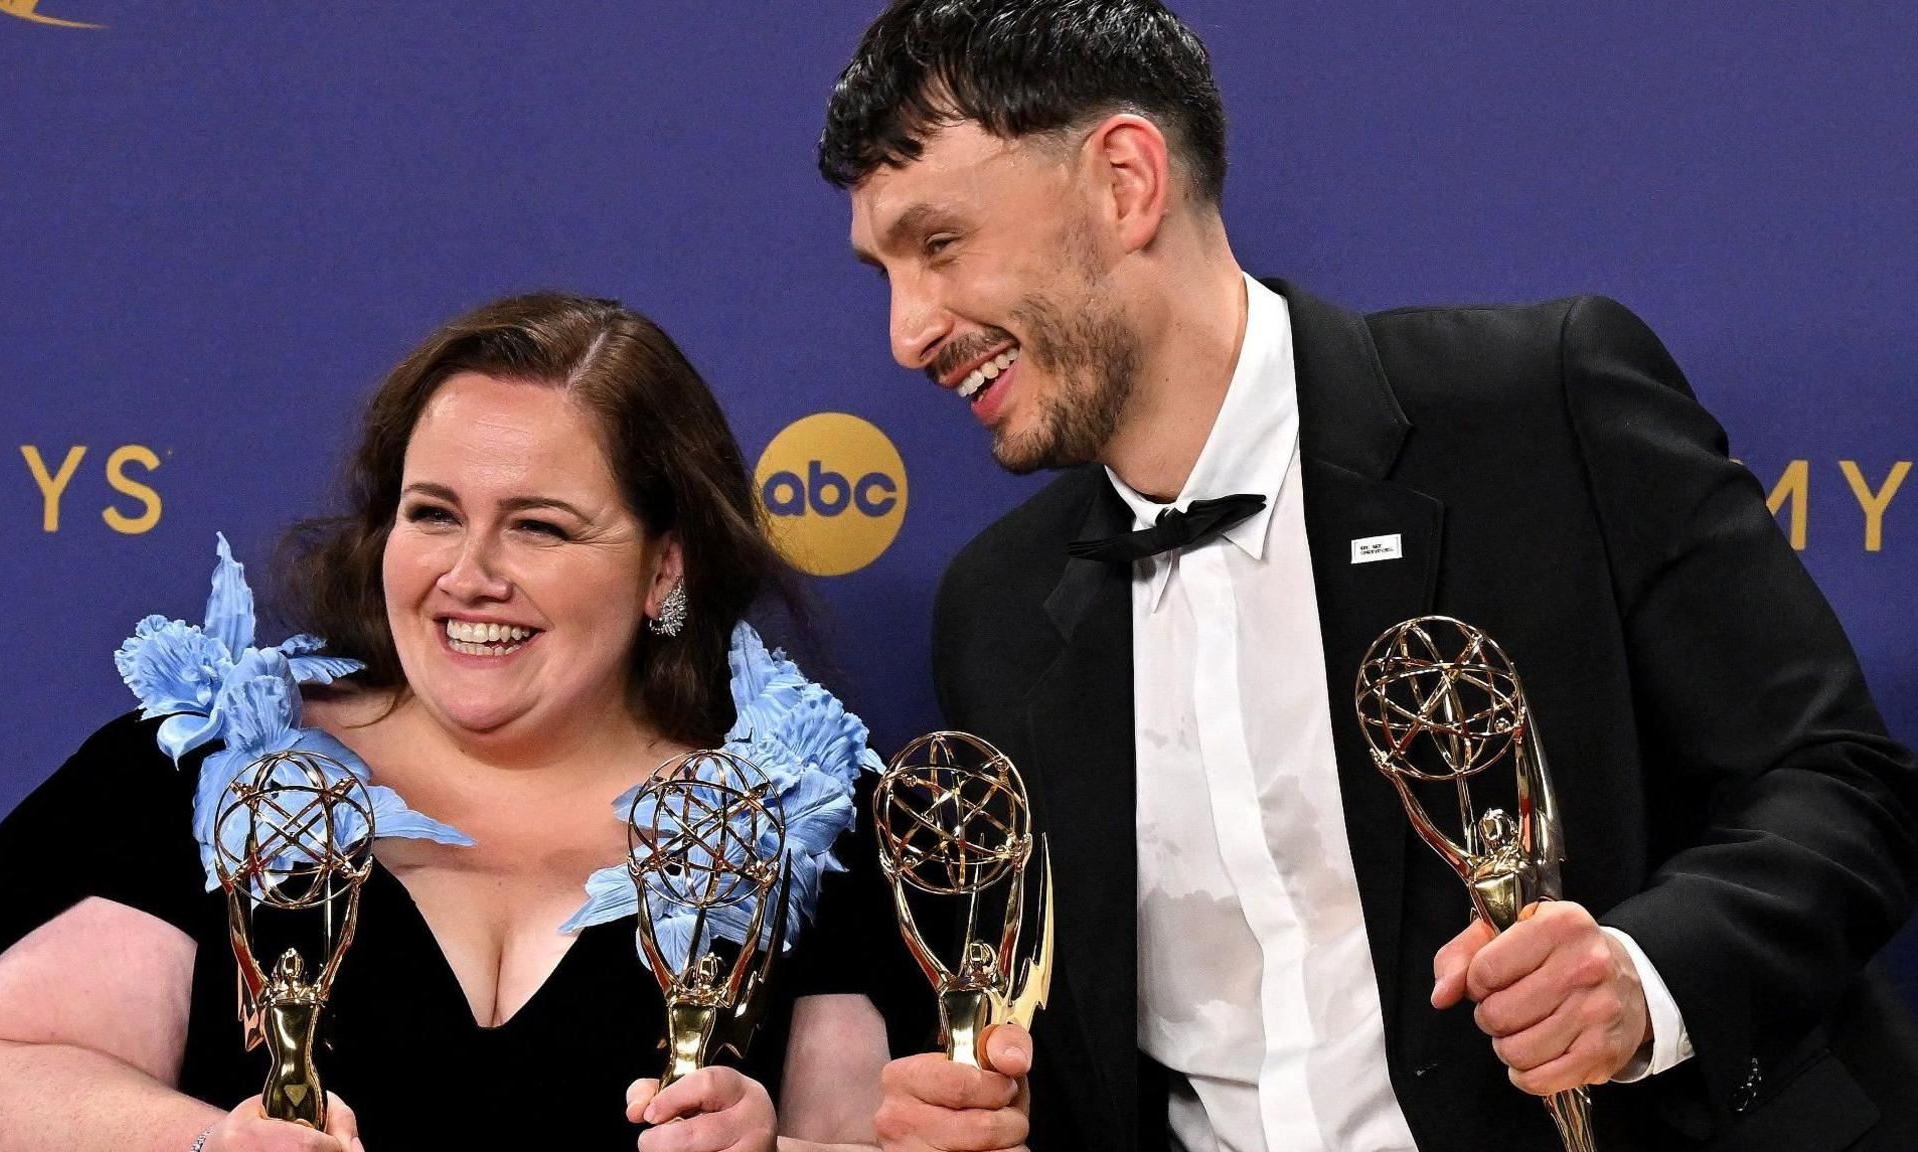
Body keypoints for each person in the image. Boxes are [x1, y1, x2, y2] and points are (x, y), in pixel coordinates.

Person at [817, 2, 1918, 1150]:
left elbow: (1841, 784)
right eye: (881, 270)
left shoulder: (1538, 407)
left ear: (1125, 183)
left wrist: (1642, 981)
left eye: (938, 244)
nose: (905, 333)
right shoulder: (996, 612)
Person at [0, 293, 897, 1152]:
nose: (468, 574)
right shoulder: (196, 767)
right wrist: (207, 1144)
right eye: (432, 513)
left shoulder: (809, 835)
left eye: (538, 525)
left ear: (663, 568)